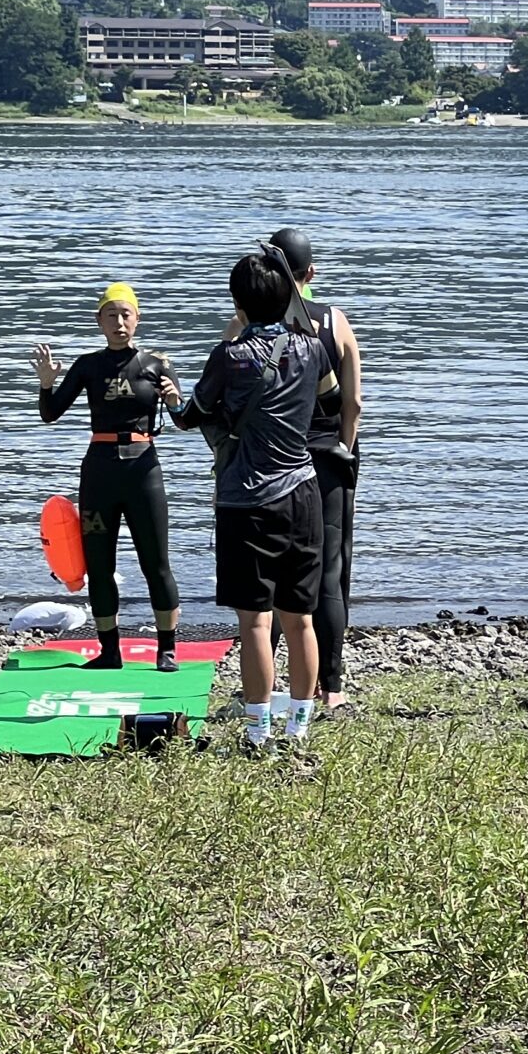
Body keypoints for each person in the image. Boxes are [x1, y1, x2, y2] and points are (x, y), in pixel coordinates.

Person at [177, 251, 334, 754]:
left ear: (236, 302)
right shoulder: (313, 349)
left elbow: (191, 414)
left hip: (247, 502)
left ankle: (258, 731)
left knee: (255, 623)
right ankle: (300, 728)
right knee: (301, 619)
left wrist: (171, 395)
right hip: (304, 493)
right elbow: (330, 395)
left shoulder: (229, 356)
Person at [33, 283, 183, 672]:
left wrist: (173, 401)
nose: (120, 322)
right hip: (99, 471)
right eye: (111, 315)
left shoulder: (156, 363)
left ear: (138, 318)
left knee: (156, 563)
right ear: (99, 321)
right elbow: (51, 414)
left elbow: (183, 419)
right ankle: (109, 650)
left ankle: (166, 648)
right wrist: (46, 383)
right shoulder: (88, 364)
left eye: (126, 314)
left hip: (143, 469)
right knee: (99, 565)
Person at [267, 228, 364, 710]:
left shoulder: (250, 321)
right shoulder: (335, 320)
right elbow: (354, 401)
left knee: (268, 570)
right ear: (312, 273)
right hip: (327, 458)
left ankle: (261, 683)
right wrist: (343, 448)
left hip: (272, 460)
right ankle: (332, 687)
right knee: (329, 571)